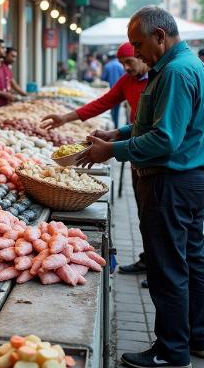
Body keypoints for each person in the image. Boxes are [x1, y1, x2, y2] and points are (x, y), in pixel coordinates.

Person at [78, 6, 204, 368]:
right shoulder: (193, 67)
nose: (135, 53)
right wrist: (118, 133)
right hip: (193, 177)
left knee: (168, 266)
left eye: (138, 44)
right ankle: (198, 336)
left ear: (160, 36)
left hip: (171, 180)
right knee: (193, 258)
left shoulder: (175, 72)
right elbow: (157, 124)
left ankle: (172, 350)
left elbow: (165, 139)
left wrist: (113, 150)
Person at [43, 42, 150, 279]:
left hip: (152, 152)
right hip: (135, 151)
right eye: (122, 63)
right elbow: (102, 102)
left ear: (142, 56)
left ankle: (159, 269)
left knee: (155, 213)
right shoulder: (128, 81)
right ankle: (149, 259)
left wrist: (114, 146)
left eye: (129, 62)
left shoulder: (161, 79)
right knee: (145, 210)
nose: (125, 68)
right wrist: (65, 118)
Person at [100, 50, 125, 127]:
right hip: (121, 91)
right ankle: (116, 126)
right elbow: (125, 76)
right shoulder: (120, 65)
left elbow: (103, 78)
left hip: (111, 90)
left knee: (111, 108)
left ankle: (113, 122)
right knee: (117, 109)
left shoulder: (107, 66)